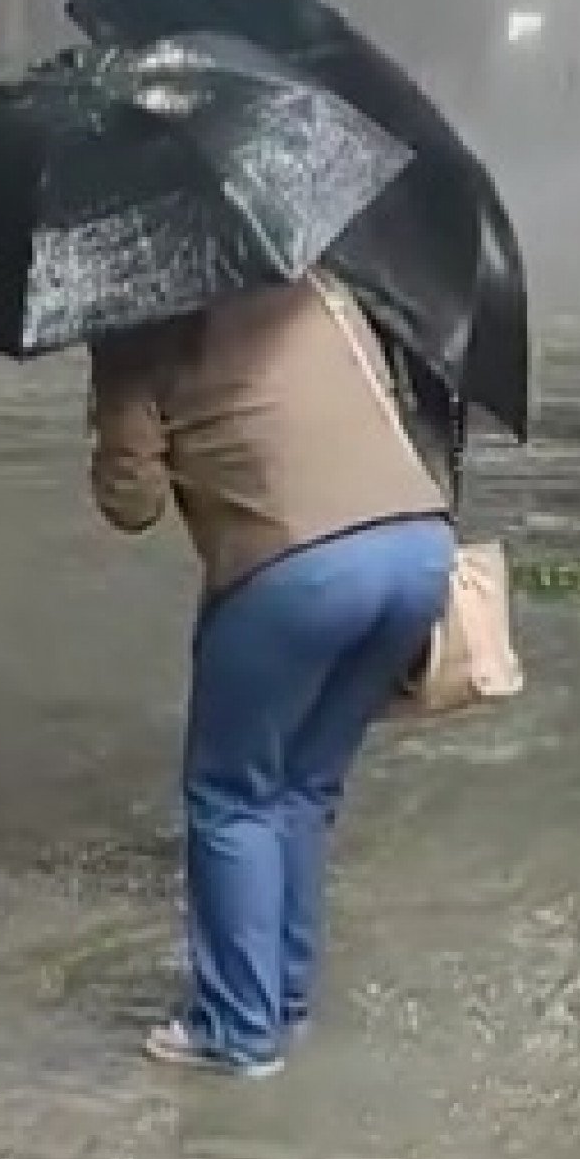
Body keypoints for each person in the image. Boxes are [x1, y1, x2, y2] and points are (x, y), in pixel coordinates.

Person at [89, 279, 455, 1077]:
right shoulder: (318, 285)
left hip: (297, 570)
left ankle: (237, 1029)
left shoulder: (133, 327)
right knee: (305, 786)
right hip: (418, 548)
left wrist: (112, 425)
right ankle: (284, 997)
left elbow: (134, 502)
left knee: (231, 794)